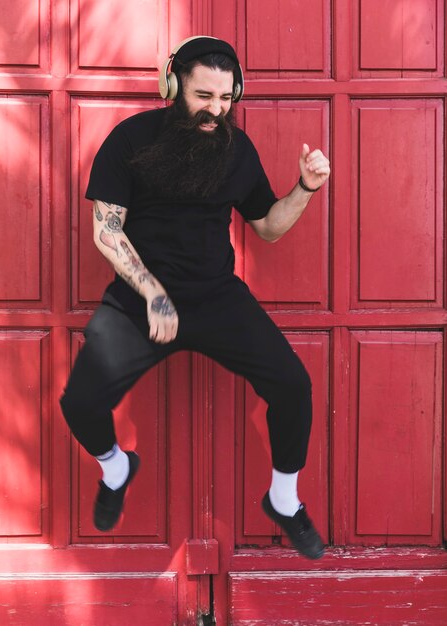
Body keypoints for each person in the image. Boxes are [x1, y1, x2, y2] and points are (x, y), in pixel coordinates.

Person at [60, 36, 330, 559]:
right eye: (204, 96)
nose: (216, 110)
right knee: (81, 403)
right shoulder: (130, 140)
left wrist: (306, 187)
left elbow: (268, 227)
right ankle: (116, 468)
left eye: (226, 98)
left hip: (215, 295)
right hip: (141, 295)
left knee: (293, 385)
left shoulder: (236, 148)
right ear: (173, 84)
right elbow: (106, 231)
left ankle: (283, 498)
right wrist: (153, 293)